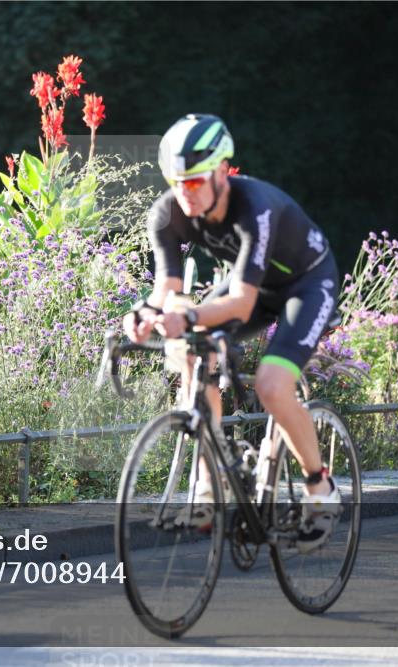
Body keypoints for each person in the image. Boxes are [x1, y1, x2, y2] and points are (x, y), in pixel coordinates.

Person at [122, 114, 341, 551]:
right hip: (254, 286)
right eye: (176, 181)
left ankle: (321, 489)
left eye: (196, 181)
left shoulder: (253, 206)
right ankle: (209, 480)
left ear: (223, 171)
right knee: (190, 351)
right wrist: (143, 312)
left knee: (272, 385)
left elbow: (239, 303)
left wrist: (186, 317)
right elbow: (168, 287)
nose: (186, 192)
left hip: (306, 284)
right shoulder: (167, 213)